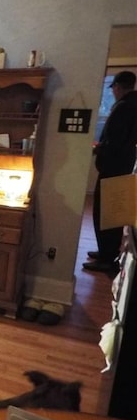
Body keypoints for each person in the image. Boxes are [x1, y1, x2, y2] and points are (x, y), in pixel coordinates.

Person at [84, 71, 137, 272]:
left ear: (117, 87)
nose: (113, 92)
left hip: (113, 167)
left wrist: (98, 149)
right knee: (114, 212)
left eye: (114, 88)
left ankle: (107, 258)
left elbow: (113, 141)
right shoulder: (134, 105)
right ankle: (107, 251)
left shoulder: (124, 108)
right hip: (124, 165)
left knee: (105, 211)